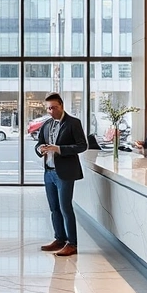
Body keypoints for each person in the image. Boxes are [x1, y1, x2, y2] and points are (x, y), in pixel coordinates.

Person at [35, 93, 87, 257]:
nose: (51, 111)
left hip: (64, 172)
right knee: (54, 208)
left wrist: (59, 149)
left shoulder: (73, 123)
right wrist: (40, 149)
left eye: (54, 107)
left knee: (65, 207)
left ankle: (72, 244)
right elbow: (38, 143)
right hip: (49, 172)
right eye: (48, 108)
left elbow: (82, 146)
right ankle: (59, 238)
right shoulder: (46, 124)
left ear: (62, 106)